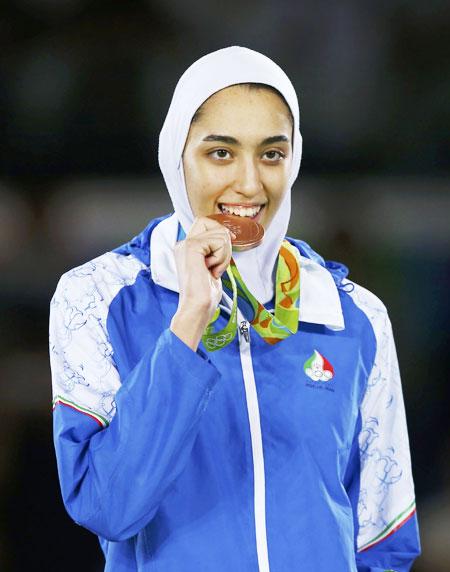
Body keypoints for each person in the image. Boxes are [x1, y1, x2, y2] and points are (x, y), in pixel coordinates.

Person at [48, 46, 421, 571]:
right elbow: (109, 506)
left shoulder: (353, 317)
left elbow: (383, 539)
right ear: (176, 156)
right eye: (220, 153)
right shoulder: (98, 297)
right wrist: (189, 319)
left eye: (271, 154)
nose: (249, 183)